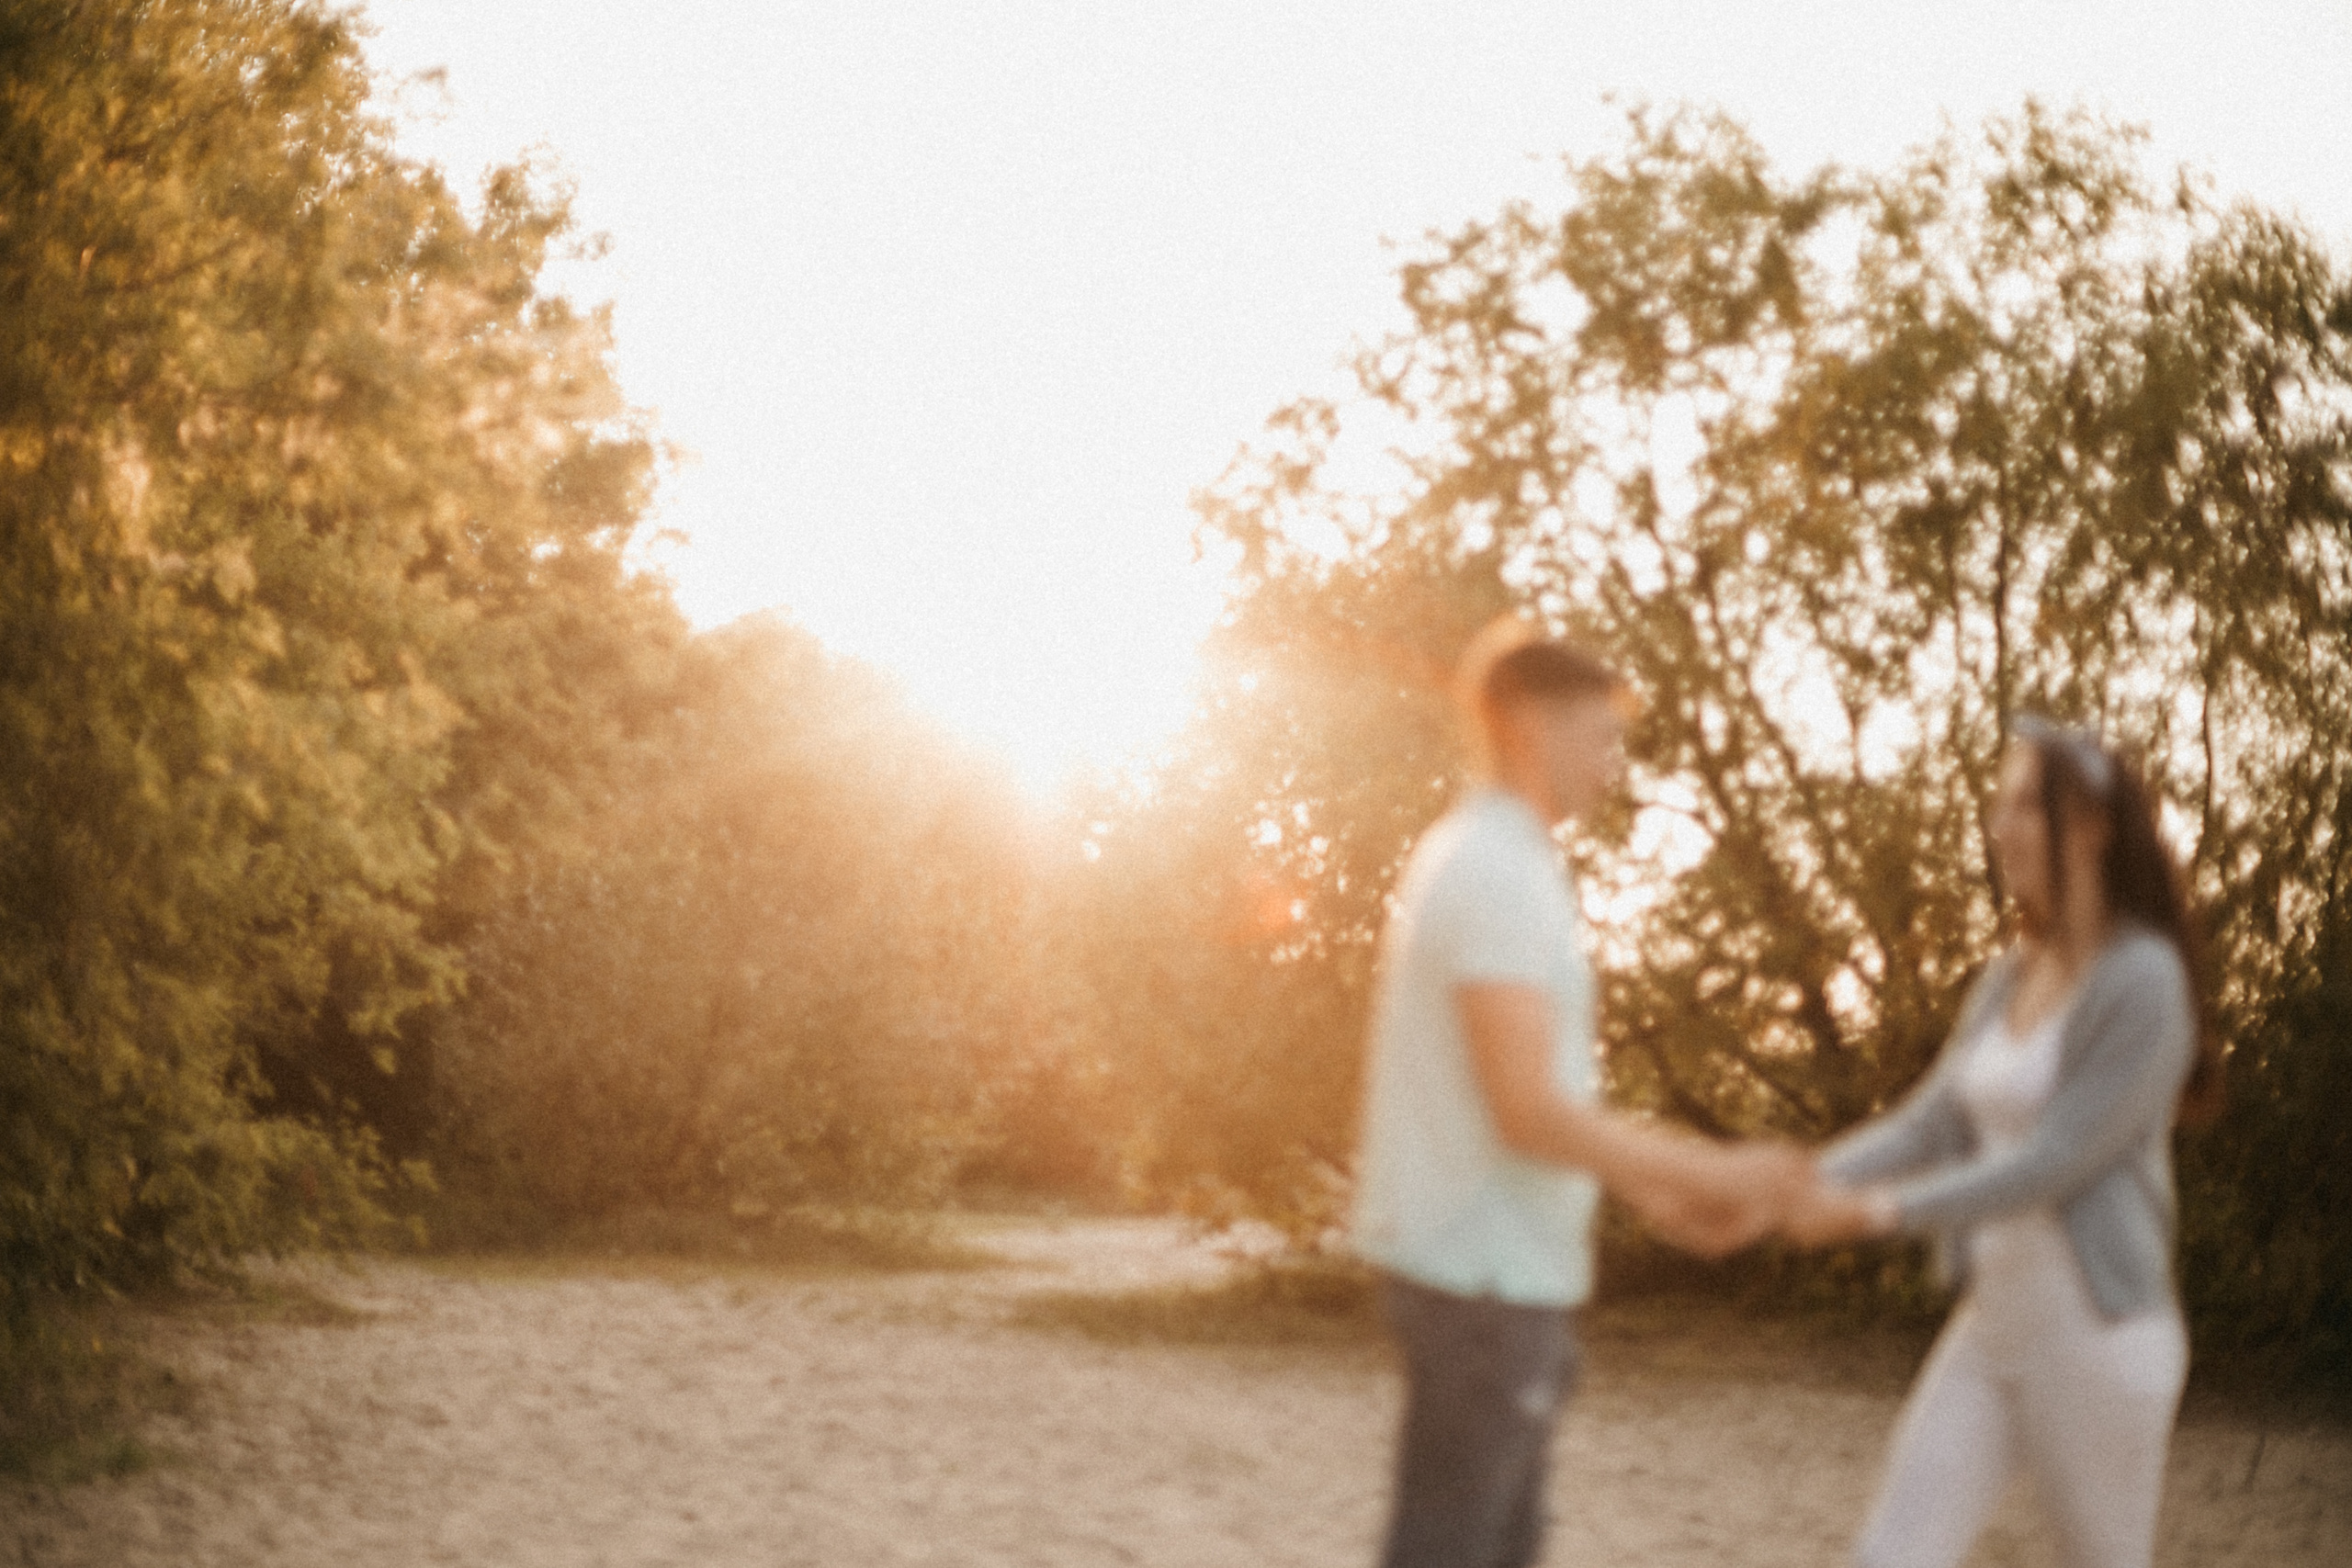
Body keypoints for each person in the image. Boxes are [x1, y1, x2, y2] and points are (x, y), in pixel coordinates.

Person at [1351, 616, 1807, 1568]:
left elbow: (1534, 1099)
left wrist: (1653, 1194)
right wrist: (1716, 1171)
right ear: (1526, 722)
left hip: (1491, 1277)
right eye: (1600, 737)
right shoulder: (1495, 867)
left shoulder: (1498, 857)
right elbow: (1526, 1108)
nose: (1613, 766)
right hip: (1485, 1285)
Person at [1787, 716, 2226, 1568]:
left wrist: (1875, 1212)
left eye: (2025, 804)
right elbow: (1929, 1123)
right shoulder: (2006, 977)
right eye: (2000, 805)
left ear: (2091, 827)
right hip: (1993, 1325)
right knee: (1891, 1555)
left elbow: (2054, 1161)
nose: (2001, 825)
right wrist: (1792, 1183)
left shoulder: (2145, 980)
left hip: (2099, 1340)